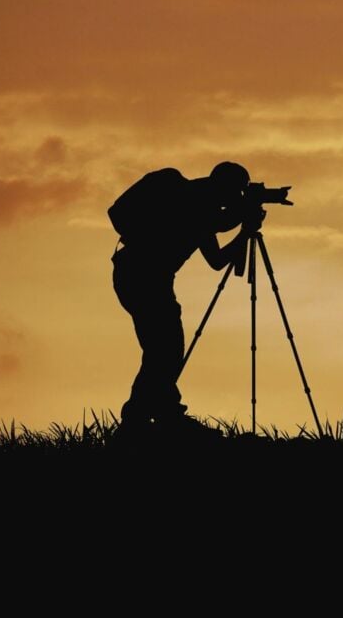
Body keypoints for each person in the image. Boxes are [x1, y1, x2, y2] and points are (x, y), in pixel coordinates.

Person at [108, 161, 262, 443]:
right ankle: (138, 422)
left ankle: (162, 416)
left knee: (162, 351)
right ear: (225, 189)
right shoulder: (194, 203)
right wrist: (245, 226)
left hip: (138, 276)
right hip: (144, 279)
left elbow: (217, 252)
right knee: (164, 351)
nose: (237, 198)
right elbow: (217, 241)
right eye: (237, 192)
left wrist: (242, 223)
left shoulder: (197, 202)